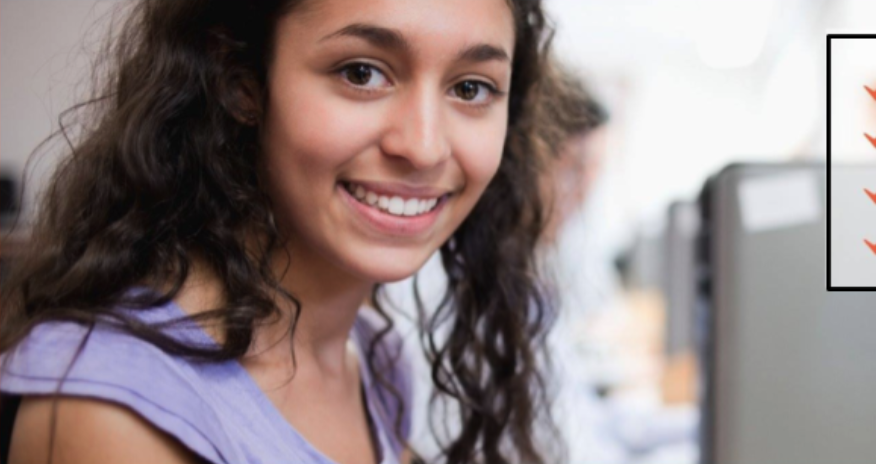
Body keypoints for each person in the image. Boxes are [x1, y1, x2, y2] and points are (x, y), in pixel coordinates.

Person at [0, 0, 564, 463]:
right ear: (240, 83)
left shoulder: (374, 360)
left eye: (471, 88)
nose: (423, 147)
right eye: (361, 73)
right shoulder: (113, 409)